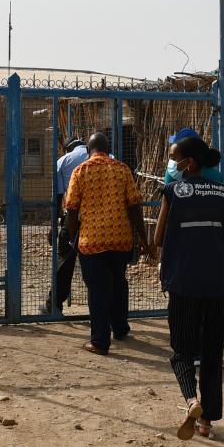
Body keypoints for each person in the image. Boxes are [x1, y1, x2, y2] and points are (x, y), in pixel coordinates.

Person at [151, 132, 224, 440]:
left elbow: (157, 239)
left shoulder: (173, 191)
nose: (172, 164)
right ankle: (207, 424)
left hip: (183, 283)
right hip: (218, 284)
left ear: (189, 163)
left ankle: (192, 401)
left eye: (175, 159)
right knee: (213, 355)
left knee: (182, 352)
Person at [63, 132, 146, 354]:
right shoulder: (122, 169)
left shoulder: (81, 171)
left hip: (92, 241)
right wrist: (144, 239)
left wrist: (73, 236)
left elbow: (71, 209)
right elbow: (135, 207)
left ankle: (99, 341)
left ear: (89, 150)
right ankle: (120, 328)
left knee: (98, 289)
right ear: (108, 148)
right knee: (118, 281)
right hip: (120, 239)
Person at [47, 137, 90, 311]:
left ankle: (54, 305)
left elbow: (57, 197)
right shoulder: (108, 157)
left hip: (72, 217)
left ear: (67, 149)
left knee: (64, 262)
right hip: (99, 219)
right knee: (97, 263)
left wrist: (53, 226)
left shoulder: (63, 161)